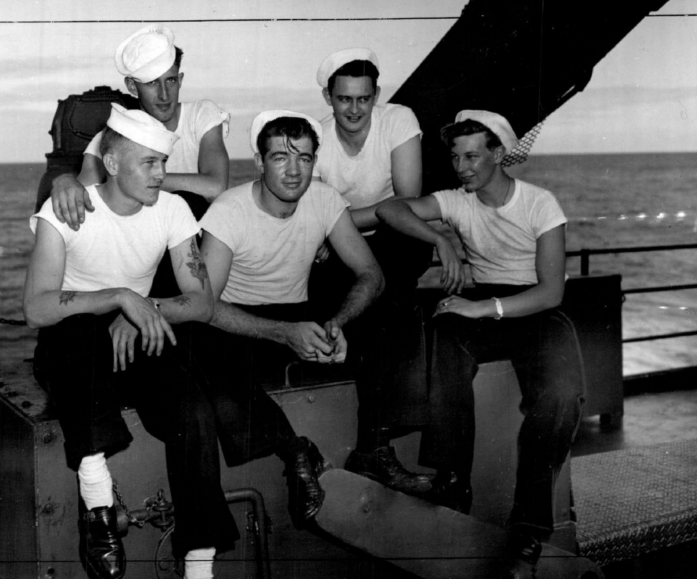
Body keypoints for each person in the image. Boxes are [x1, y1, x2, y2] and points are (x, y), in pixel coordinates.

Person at [23, 104, 238, 579]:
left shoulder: (173, 210)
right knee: (78, 332)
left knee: (192, 409)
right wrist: (121, 297)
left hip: (135, 341)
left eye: (163, 161)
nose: (163, 174)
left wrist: (146, 309)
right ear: (113, 164)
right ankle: (98, 507)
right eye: (150, 163)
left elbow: (200, 302)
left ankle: (199, 563)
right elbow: (37, 308)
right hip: (71, 349)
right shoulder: (67, 211)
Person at [375, 110, 585, 579]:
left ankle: (529, 528)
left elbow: (552, 291)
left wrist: (483, 307)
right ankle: (453, 481)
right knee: (445, 334)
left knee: (560, 395)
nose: (462, 166)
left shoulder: (540, 203)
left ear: (498, 154)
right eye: (455, 157)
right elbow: (391, 208)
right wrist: (438, 238)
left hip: (535, 308)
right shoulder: (456, 201)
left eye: (472, 155)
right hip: (484, 302)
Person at [195, 110, 384, 527]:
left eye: (304, 157)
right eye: (280, 157)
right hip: (238, 322)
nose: (295, 169)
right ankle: (294, 449)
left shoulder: (324, 199)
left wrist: (338, 324)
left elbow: (372, 274)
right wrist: (283, 333)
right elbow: (204, 305)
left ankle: (374, 449)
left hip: (297, 313)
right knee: (201, 353)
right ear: (260, 163)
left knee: (386, 318)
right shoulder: (229, 211)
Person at [309, 47, 433, 494]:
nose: (355, 109)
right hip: (344, 251)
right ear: (328, 97)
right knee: (379, 311)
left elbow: (407, 202)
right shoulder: (316, 140)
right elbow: (319, 216)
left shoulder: (398, 120)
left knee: (388, 290)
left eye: (364, 98)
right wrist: (343, 226)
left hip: (395, 242)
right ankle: (375, 449)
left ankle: (374, 448)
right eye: (344, 99)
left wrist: (341, 221)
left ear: (376, 94)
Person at [50, 23, 230, 231]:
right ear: (132, 86)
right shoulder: (113, 136)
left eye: (170, 80)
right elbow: (83, 189)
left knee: (191, 202)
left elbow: (215, 187)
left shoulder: (201, 115)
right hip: (145, 245)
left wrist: (133, 181)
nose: (164, 94)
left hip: (198, 236)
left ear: (180, 80)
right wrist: (63, 181)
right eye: (152, 83)